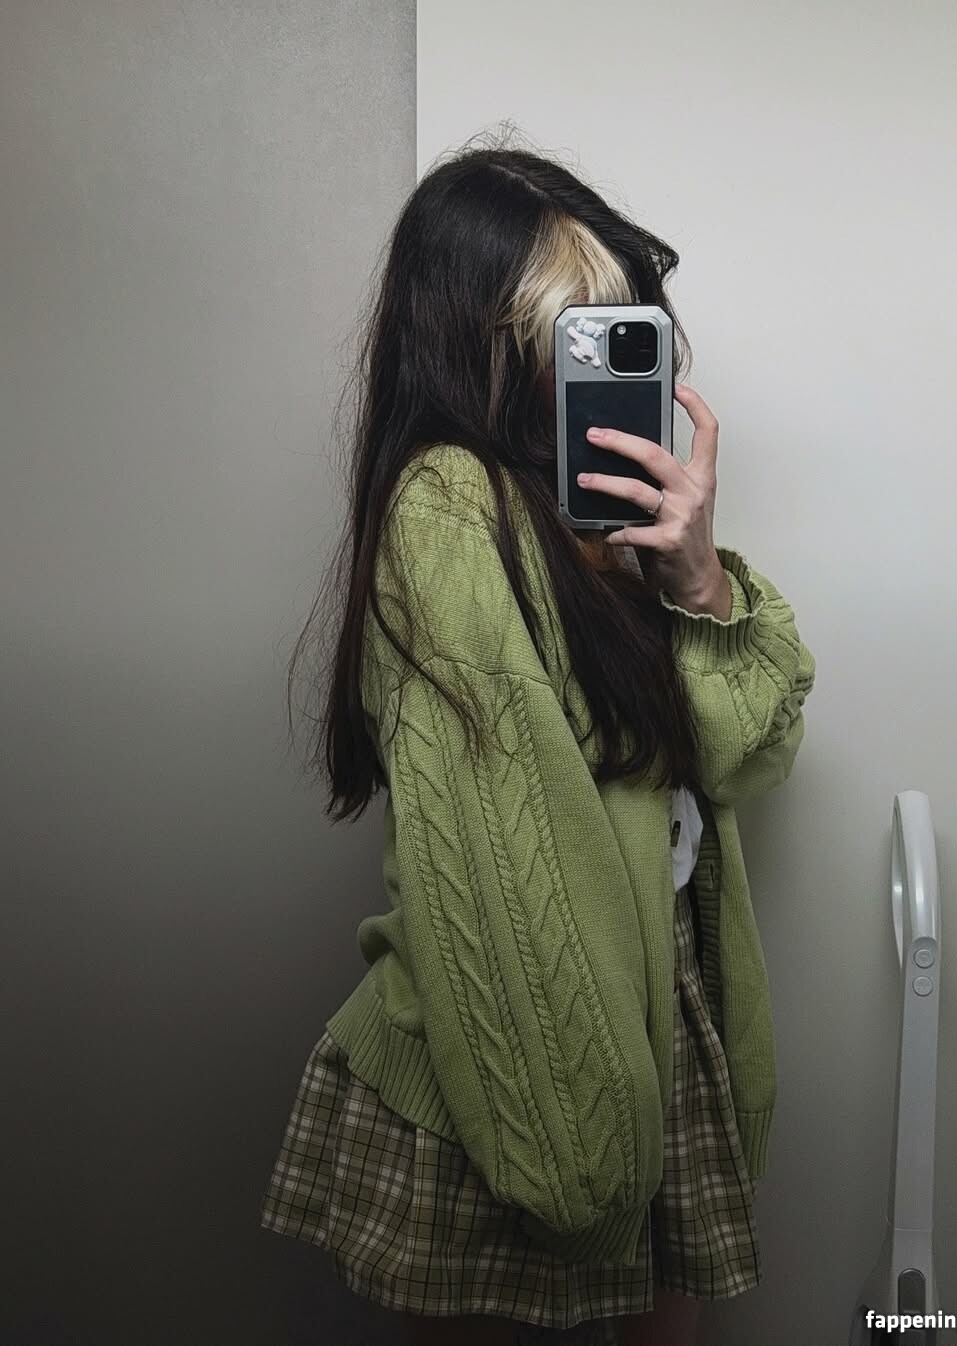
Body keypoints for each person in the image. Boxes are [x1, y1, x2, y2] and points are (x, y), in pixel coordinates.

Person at [259, 133, 816, 1346]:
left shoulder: (605, 532)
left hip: (652, 1017)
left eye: (613, 328)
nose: (591, 368)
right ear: (479, 342)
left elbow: (746, 755)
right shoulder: (449, 508)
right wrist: (580, 1142)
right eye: (566, 334)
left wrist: (698, 577)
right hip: (527, 1049)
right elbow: (514, 865)